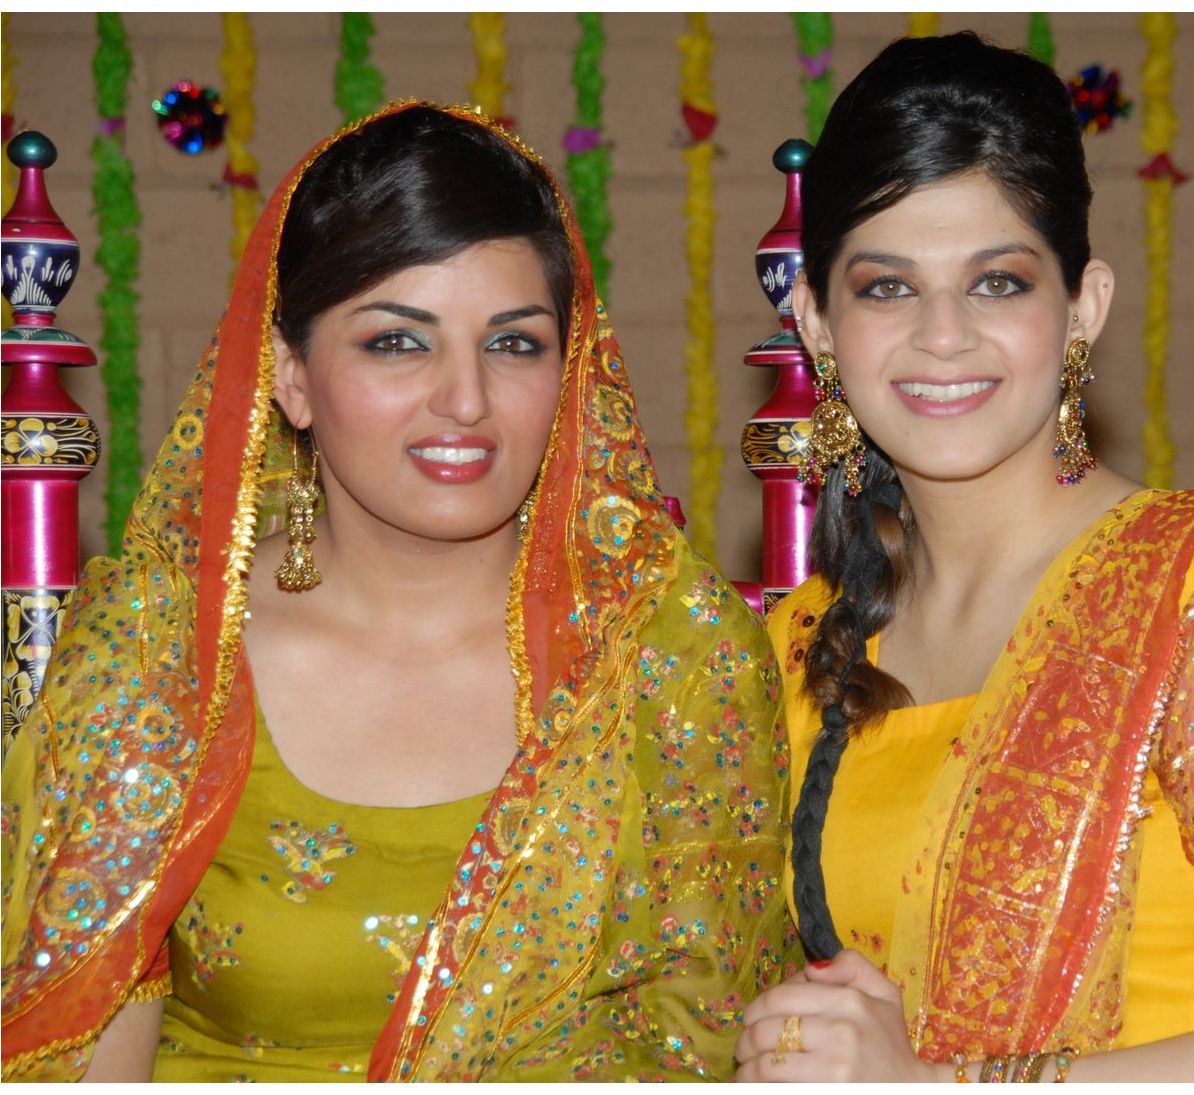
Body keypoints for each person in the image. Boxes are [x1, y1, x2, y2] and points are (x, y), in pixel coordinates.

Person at [2, 103, 796, 1082]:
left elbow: (719, 1037)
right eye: (396, 342)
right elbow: (78, 1038)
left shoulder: (669, 650)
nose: (465, 399)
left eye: (514, 344)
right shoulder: (164, 650)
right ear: (291, 376)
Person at [735, 33, 1194, 1083]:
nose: (943, 335)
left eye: (998, 283)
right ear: (816, 323)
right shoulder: (800, 643)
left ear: (1083, 307)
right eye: (887, 288)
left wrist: (936, 1086)